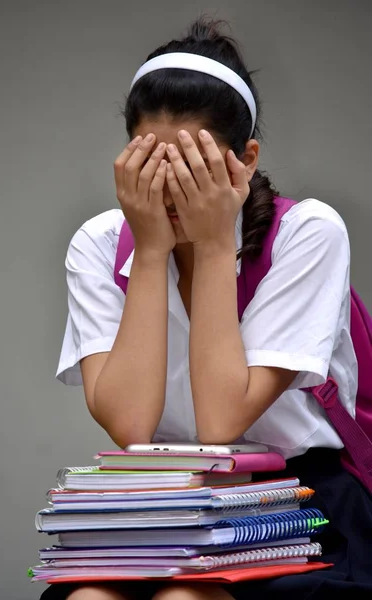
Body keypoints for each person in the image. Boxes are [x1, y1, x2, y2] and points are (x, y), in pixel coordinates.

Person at [40, 16, 372, 600]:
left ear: (245, 160)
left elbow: (222, 421)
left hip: (294, 501)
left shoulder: (308, 233)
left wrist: (217, 242)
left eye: (194, 167)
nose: (170, 191)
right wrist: (150, 253)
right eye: (150, 165)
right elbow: (129, 426)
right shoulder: (98, 243)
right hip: (166, 498)